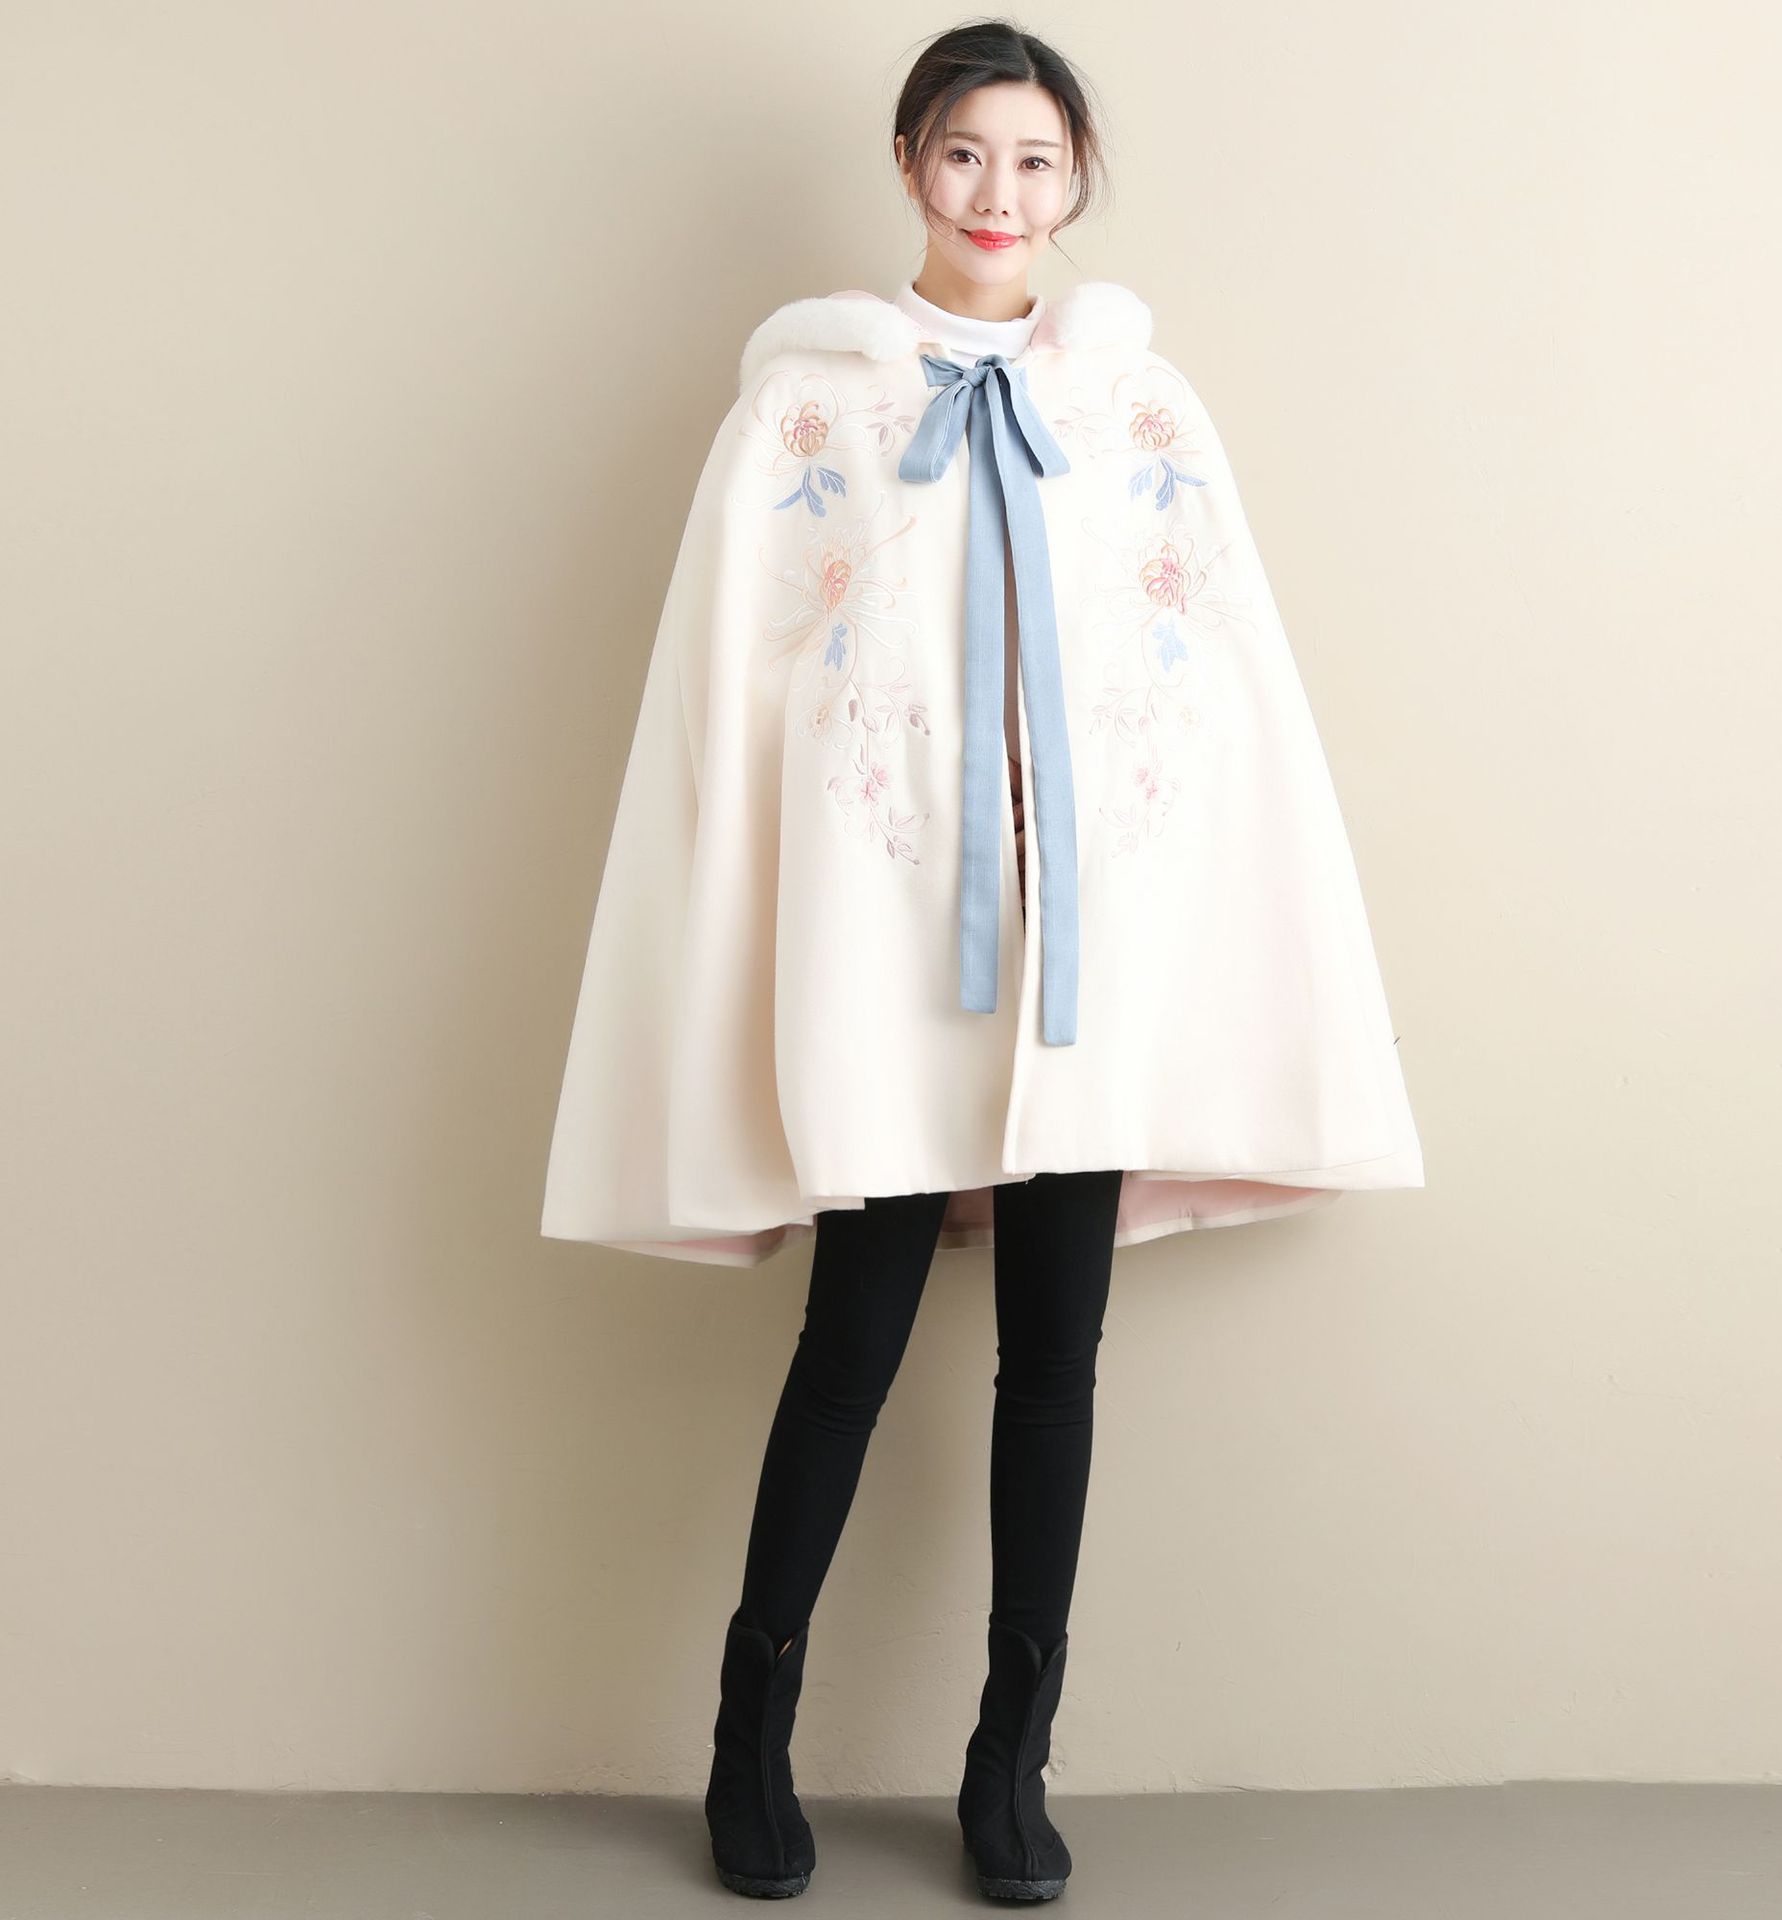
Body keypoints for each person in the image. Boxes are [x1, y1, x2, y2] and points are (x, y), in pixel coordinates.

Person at [541, 18, 1424, 1904]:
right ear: (907, 165)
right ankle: (748, 1738)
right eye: (963, 154)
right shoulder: (811, 408)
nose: (998, 194)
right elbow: (738, 675)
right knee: (847, 1349)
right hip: (885, 946)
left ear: (1076, 175)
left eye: (1034, 159)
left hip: (1079, 958)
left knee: (1055, 1364)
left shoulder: (1139, 409)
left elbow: (1210, 675)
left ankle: (1008, 1759)